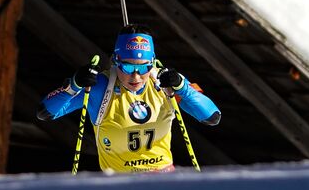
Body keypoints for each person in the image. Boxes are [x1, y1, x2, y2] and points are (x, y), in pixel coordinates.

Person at [37, 25, 221, 174]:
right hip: (119, 183)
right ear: (115, 61)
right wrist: (74, 85)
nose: (136, 76)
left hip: (163, 178)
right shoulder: (100, 86)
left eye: (143, 68)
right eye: (127, 67)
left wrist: (183, 88)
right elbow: (45, 113)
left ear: (152, 62)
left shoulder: (164, 82)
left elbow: (212, 117)